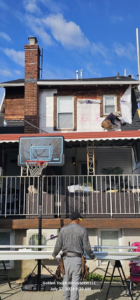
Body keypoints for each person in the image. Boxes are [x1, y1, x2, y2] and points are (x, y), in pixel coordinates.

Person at [49, 211, 95, 300]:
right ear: (77, 219)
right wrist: (92, 256)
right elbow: (87, 247)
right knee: (75, 283)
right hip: (77, 260)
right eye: (79, 219)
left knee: (65, 281)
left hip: (65, 260)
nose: (80, 221)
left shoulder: (63, 229)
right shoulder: (82, 230)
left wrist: (53, 255)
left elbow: (58, 244)